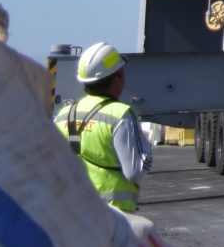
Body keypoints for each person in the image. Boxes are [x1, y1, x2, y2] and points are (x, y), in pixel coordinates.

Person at [58, 41, 154, 213]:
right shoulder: (121, 114)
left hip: (71, 216)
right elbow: (135, 172)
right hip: (114, 218)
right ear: (117, 80)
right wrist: (147, 149)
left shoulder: (64, 115)